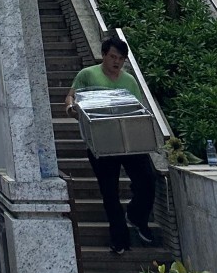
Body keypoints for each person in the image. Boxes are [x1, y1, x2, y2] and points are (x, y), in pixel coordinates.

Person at [65, 34, 157, 254]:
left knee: (147, 179)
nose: (117, 62)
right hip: (101, 142)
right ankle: (119, 238)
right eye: (113, 57)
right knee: (110, 192)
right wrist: (72, 109)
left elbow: (137, 108)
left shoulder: (129, 81)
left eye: (121, 59)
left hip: (128, 140)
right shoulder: (88, 74)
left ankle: (136, 216)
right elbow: (70, 97)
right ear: (104, 55)